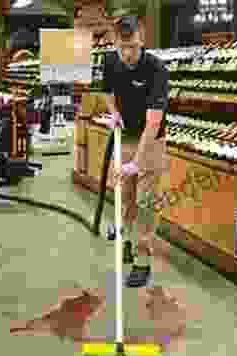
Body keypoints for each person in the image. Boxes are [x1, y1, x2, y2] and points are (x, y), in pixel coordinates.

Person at [103, 16, 170, 288]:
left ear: (141, 39)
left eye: (132, 47)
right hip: (126, 137)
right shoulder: (110, 61)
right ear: (115, 43)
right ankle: (127, 243)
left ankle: (142, 262)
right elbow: (106, 90)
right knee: (126, 198)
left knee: (145, 204)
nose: (127, 54)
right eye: (122, 48)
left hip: (151, 142)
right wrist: (114, 112)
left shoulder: (156, 69)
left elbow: (153, 123)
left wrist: (138, 162)